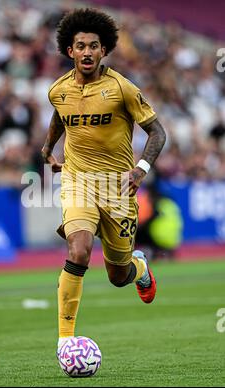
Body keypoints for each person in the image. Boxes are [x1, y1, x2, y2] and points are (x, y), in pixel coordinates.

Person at [41, 8, 167, 355]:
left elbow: (158, 132)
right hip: (78, 182)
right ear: (70, 50)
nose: (86, 52)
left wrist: (141, 168)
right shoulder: (58, 90)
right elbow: (60, 115)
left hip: (118, 189)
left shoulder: (121, 88)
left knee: (117, 275)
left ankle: (139, 267)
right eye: (79, 46)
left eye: (93, 46)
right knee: (79, 251)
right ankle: (65, 339)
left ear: (103, 50)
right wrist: (49, 147)